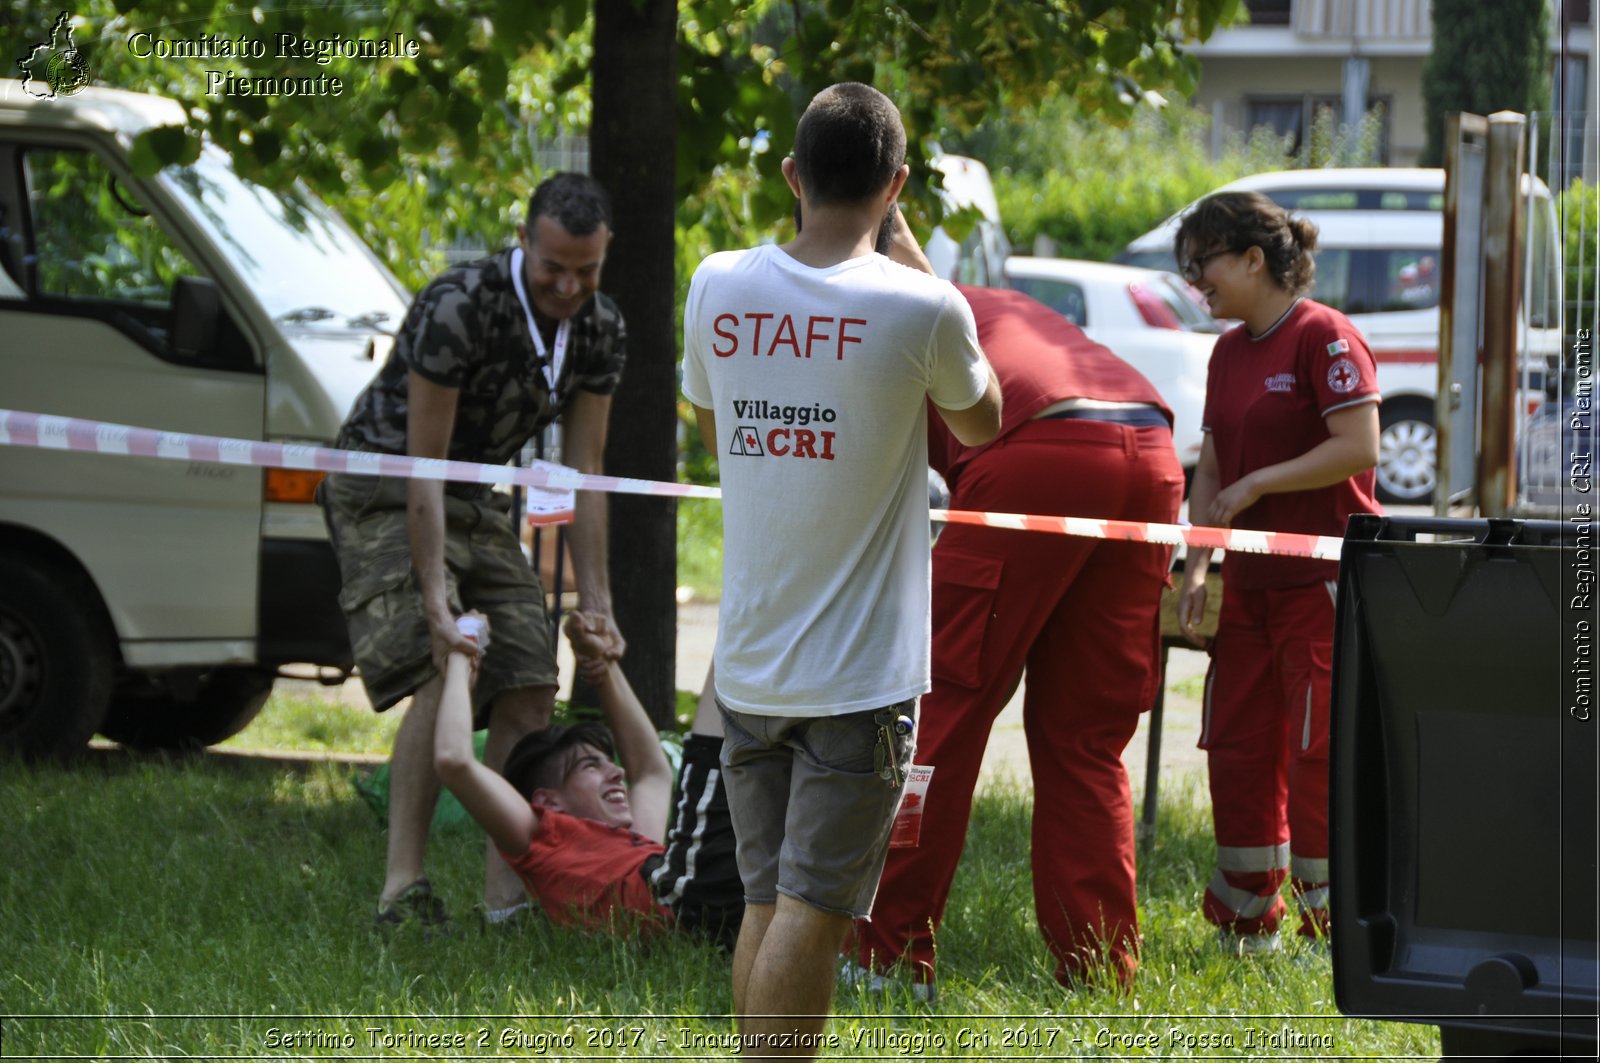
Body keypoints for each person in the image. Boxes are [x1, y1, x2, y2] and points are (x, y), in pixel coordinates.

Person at [680, 82, 1001, 1056]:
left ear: (791, 175)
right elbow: (983, 424)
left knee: (764, 901)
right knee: (812, 914)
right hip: (857, 679)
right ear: (896, 186)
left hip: (746, 662)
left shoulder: (715, 283)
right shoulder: (924, 307)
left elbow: (712, 424)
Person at [850, 281, 1185, 995]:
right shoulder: (962, 297)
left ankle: (888, 959)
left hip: (1039, 449)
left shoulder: (869, 312)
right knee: (1086, 735)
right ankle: (1099, 969)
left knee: (933, 713)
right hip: (1150, 448)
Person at [319, 173, 627, 929]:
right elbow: (425, 464)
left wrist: (598, 605)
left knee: (528, 676)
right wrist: (436, 599)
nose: (568, 284)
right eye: (553, 265)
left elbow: (587, 470)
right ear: (523, 240)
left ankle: (506, 899)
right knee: (444, 659)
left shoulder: (601, 326)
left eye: (586, 270)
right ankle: (403, 888)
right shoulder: (460, 305)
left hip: (474, 499)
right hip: (386, 484)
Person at [1172, 191, 1380, 951]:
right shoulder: (1228, 351)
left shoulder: (1324, 335)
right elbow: (1215, 463)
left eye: (1205, 264)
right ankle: (1246, 921)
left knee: (1316, 748)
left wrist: (1260, 485)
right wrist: (1198, 562)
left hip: (1320, 586)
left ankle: (1337, 931)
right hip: (1249, 587)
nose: (1198, 282)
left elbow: (1359, 446)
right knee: (1235, 744)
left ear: (1254, 260)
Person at [433, 612, 742, 948]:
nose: (617, 773)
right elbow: (454, 759)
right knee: (739, 649)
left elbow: (650, 772)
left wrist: (602, 666)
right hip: (691, 901)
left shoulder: (631, 844)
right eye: (591, 767)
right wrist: (462, 653)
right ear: (548, 801)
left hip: (715, 903)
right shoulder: (545, 840)